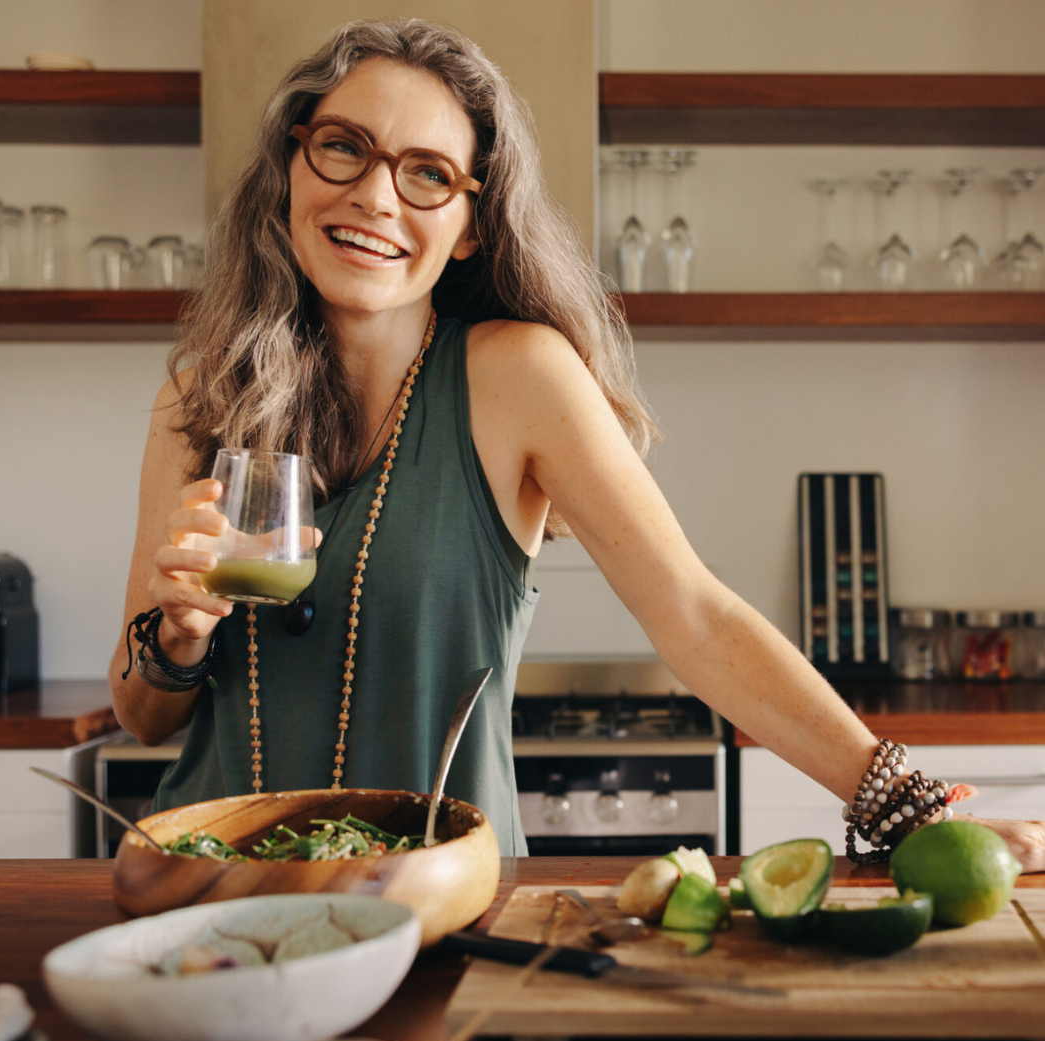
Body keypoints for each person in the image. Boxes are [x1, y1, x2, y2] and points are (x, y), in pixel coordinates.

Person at [108, 17, 1044, 869]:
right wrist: (179, 636)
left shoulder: (519, 378)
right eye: (343, 148)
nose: (375, 196)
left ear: (470, 224)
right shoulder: (197, 398)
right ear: (292, 168)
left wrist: (903, 804)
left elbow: (696, 618)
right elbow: (143, 717)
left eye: (429, 172)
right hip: (208, 896)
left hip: (442, 899)